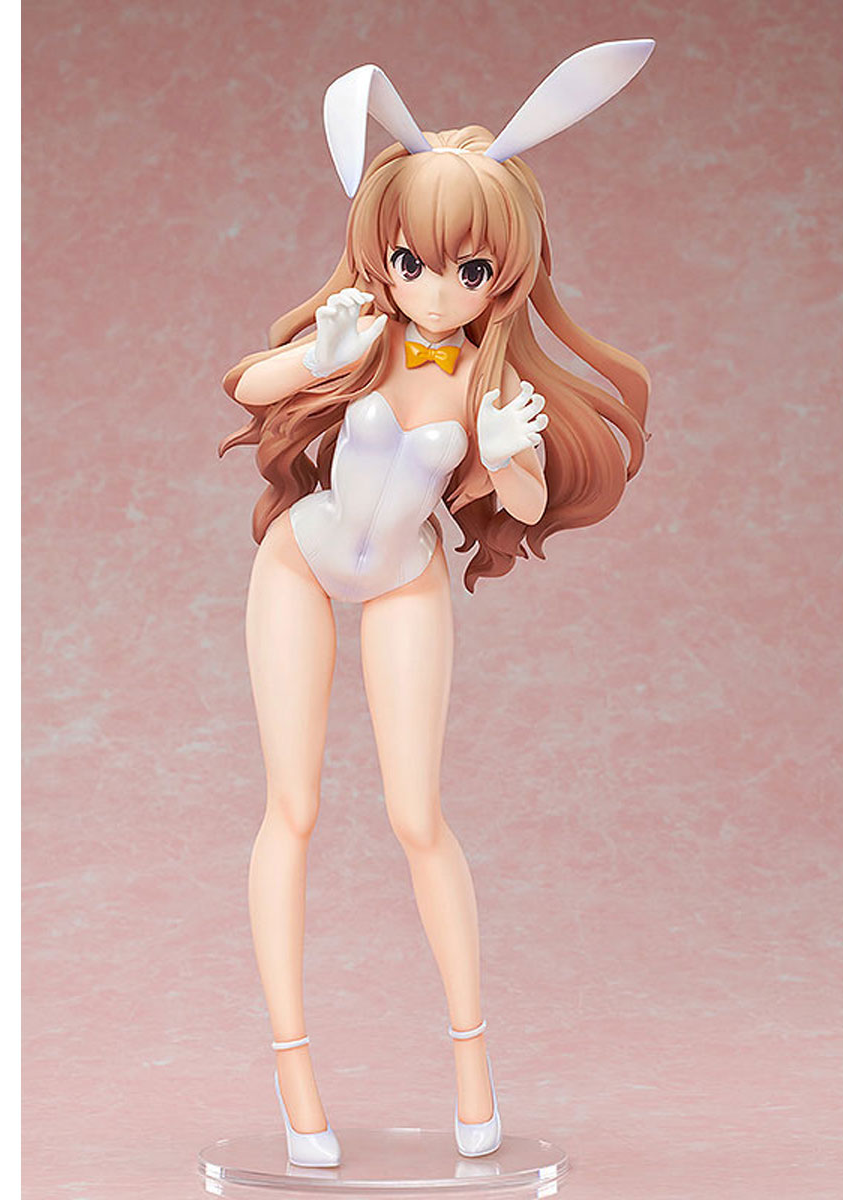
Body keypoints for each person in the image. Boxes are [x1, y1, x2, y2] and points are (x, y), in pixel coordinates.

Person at [220, 41, 655, 1167]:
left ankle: (473, 1074)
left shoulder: (484, 382)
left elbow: (522, 493)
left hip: (403, 575)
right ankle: (296, 1083)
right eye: (413, 261)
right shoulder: (364, 339)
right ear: (383, 252)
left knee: (418, 816)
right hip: (304, 563)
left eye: (470, 270)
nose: (435, 288)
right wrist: (318, 361)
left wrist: (506, 454)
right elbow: (249, 385)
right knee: (292, 808)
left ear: (503, 276)